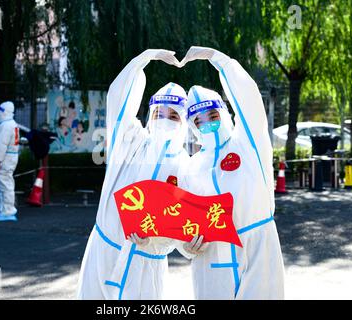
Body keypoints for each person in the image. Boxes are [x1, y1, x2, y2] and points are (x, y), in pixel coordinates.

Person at [77, 49, 192, 300]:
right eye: (159, 113)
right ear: (150, 115)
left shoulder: (187, 167)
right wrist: (142, 60)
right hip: (107, 252)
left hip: (146, 264)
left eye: (173, 115)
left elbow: (183, 222)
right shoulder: (132, 143)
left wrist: (155, 240)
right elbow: (119, 103)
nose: (165, 119)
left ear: (184, 121)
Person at [178, 47, 285, 299]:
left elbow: (249, 100)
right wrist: (187, 247)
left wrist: (219, 60)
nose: (206, 122)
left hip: (257, 253)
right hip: (211, 265)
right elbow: (182, 222)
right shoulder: (191, 167)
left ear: (224, 113)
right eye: (198, 120)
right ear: (192, 128)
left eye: (212, 114)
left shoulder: (248, 144)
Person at [0, 101, 20, 222]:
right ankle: (6, 210)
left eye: (0, 111)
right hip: (9, 159)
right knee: (6, 184)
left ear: (5, 112)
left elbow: (2, 145)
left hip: (4, 160)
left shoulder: (6, 126)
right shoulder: (11, 124)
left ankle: (6, 211)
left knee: (4, 186)